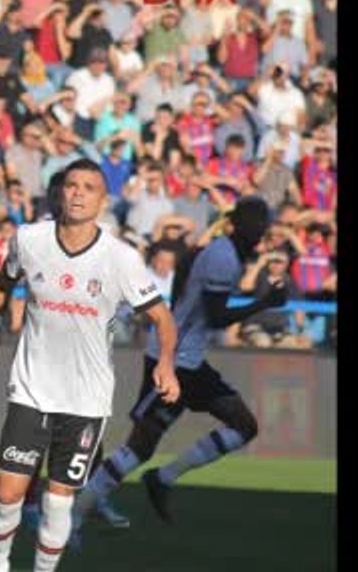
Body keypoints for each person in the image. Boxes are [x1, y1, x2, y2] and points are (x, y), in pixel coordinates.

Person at [0, 158, 180, 572]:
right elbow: (0, 287)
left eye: (89, 187)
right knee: (8, 492)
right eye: (72, 185)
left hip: (86, 399)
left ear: (103, 201)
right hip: (32, 387)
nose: (78, 193)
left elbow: (161, 317)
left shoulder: (120, 258)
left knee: (57, 499)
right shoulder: (29, 239)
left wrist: (168, 364)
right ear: (60, 192)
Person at [70, 197, 287, 546]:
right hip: (171, 361)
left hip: (188, 359)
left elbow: (189, 275)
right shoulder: (223, 258)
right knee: (138, 448)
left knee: (244, 425)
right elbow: (216, 316)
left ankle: (163, 478)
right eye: (259, 224)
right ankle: (73, 518)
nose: (262, 231)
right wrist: (264, 303)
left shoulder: (221, 251)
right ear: (243, 226)